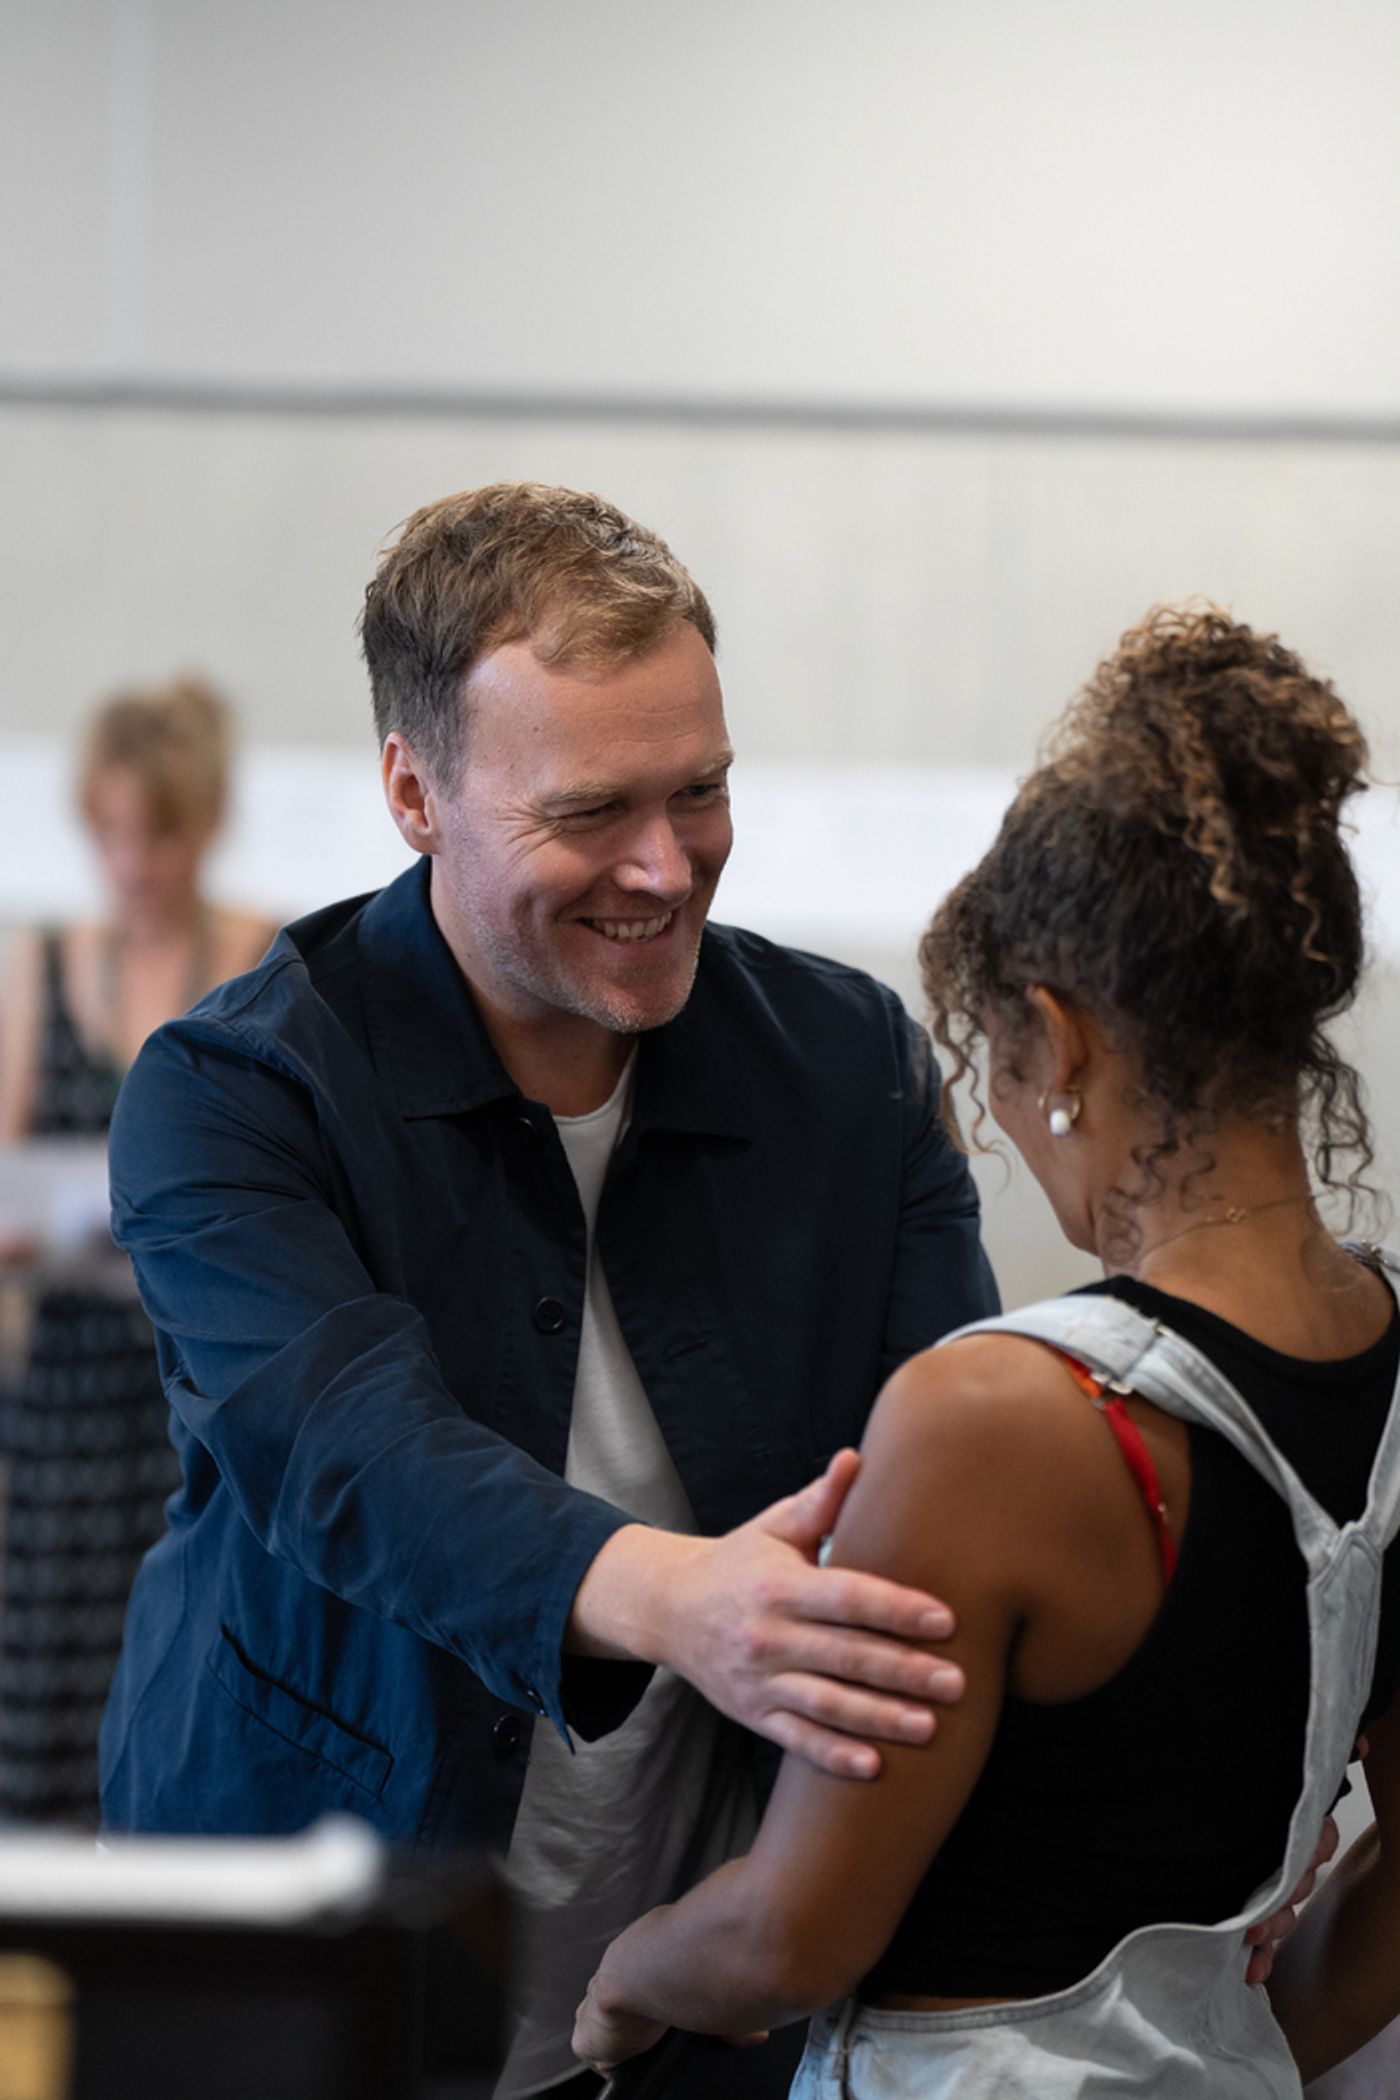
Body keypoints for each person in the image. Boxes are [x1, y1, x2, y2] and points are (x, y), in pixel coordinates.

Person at [98, 484, 998, 2095]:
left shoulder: (852, 1071)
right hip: (297, 1948)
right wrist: (686, 1600)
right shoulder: (234, 1089)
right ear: (414, 791)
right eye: (591, 812)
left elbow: (962, 1478)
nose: (665, 867)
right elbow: (347, 1453)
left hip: (692, 1990)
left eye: (703, 790)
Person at [573, 606, 1400, 2096]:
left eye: (998, 1071)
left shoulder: (1000, 1417)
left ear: (1058, 1037)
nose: (1009, 1119)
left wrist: (626, 1974)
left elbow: (790, 1939)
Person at [0, 677, 274, 1825]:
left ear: (202, 825)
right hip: (70, 1381)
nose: (129, 862)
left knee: (199, 1662)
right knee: (58, 1674)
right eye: (106, 832)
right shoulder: (41, 961)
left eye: (153, 834)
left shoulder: (261, 957)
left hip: (203, 1375)